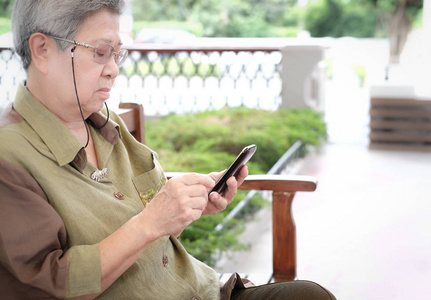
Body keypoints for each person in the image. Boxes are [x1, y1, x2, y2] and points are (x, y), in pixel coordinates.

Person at [0, 1, 336, 299]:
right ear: (43, 50)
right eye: (100, 52)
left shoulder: (105, 123)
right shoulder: (10, 156)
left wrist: (190, 206)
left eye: (118, 54)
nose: (114, 69)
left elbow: (156, 223)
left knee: (310, 295)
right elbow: (49, 284)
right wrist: (151, 222)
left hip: (203, 289)